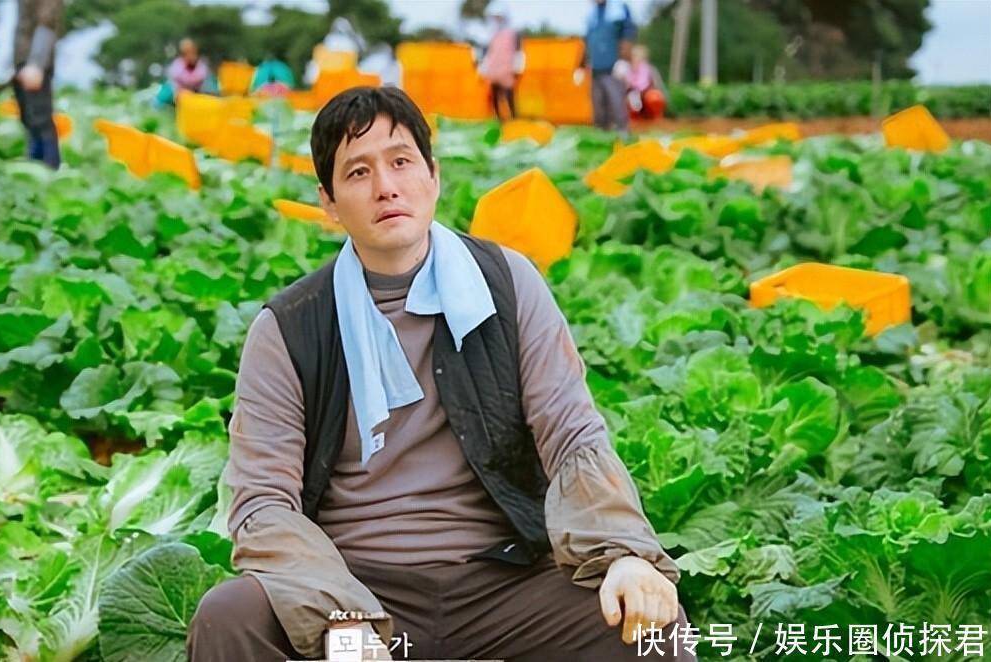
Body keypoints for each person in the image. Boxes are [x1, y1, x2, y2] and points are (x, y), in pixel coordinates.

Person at [186, 86, 693, 662]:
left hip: (502, 582)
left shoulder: (508, 284)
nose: (386, 186)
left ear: (433, 175)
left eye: (401, 161)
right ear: (329, 202)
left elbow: (571, 432)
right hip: (356, 583)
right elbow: (263, 501)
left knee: (652, 629)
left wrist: (623, 552)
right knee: (229, 618)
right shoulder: (289, 327)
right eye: (358, 172)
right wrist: (338, 616)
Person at [12, 0, 63, 169]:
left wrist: (36, 63)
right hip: (24, 61)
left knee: (40, 121)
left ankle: (48, 172)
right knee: (30, 121)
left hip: (35, 63)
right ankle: (34, 169)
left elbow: (47, 21)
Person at [583, 0, 636, 133]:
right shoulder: (592, 14)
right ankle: (602, 137)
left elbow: (628, 34)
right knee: (599, 109)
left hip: (613, 68)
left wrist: (624, 59)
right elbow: (588, 40)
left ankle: (622, 135)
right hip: (596, 69)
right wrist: (583, 63)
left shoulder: (618, 9)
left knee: (616, 104)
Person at [479, 0, 522, 122]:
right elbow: (488, 53)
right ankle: (499, 120)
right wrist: (484, 67)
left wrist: (517, 66)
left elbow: (518, 50)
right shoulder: (491, 34)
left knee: (509, 95)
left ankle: (514, 120)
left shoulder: (512, 33)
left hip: (507, 69)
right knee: (494, 95)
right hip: (494, 70)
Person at [619, 43, 667, 121]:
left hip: (646, 97)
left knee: (654, 97)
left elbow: (660, 89)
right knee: (631, 98)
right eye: (632, 56)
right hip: (633, 97)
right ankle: (635, 120)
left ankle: (655, 119)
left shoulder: (650, 70)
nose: (633, 58)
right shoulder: (626, 69)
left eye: (636, 56)